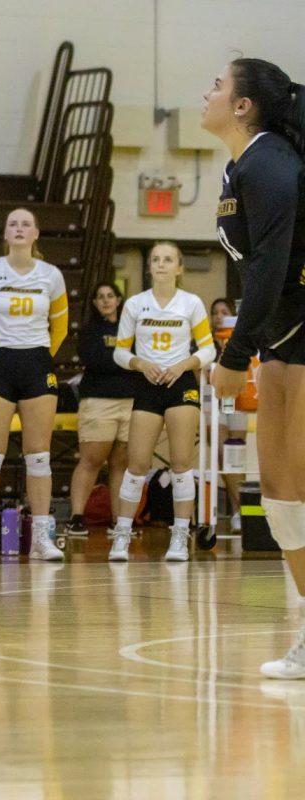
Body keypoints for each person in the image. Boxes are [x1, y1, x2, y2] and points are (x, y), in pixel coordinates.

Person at [202, 58, 305, 678]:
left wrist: (232, 356)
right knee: (279, 492)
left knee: (294, 486)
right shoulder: (246, 165)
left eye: (218, 85)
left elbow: (267, 268)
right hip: (283, 336)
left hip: (294, 328)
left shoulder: (269, 164)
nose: (207, 92)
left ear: (243, 106)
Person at [0, 209, 69, 562]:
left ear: (36, 232)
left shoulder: (52, 276)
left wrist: (38, 355)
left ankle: (42, 536)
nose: (20, 228)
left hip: (36, 363)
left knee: (39, 456)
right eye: (13, 223)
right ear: (5, 233)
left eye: (26, 223)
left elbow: (60, 328)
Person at [109, 243, 215, 561]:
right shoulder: (136, 304)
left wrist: (184, 364)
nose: (161, 264)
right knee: (137, 463)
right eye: (155, 260)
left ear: (179, 268)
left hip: (180, 383)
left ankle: (180, 537)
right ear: (149, 268)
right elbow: (120, 352)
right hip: (148, 384)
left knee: (182, 463)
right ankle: (122, 536)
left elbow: (208, 350)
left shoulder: (191, 303)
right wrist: (141, 364)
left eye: (168, 260)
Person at [65, 282, 140, 535]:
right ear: (95, 303)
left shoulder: (133, 329)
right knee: (91, 460)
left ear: (119, 300)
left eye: (110, 296)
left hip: (131, 401)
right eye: (100, 297)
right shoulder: (89, 331)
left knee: (122, 464)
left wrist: (124, 361)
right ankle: (77, 517)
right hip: (98, 401)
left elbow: (141, 359)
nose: (106, 300)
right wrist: (126, 360)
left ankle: (119, 522)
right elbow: (94, 360)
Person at [206, 297, 247, 532]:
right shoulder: (206, 343)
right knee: (222, 453)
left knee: (236, 455)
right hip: (214, 404)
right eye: (215, 312)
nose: (219, 316)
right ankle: (239, 508)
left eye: (224, 311)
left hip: (238, 402)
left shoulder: (240, 341)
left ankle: (237, 511)